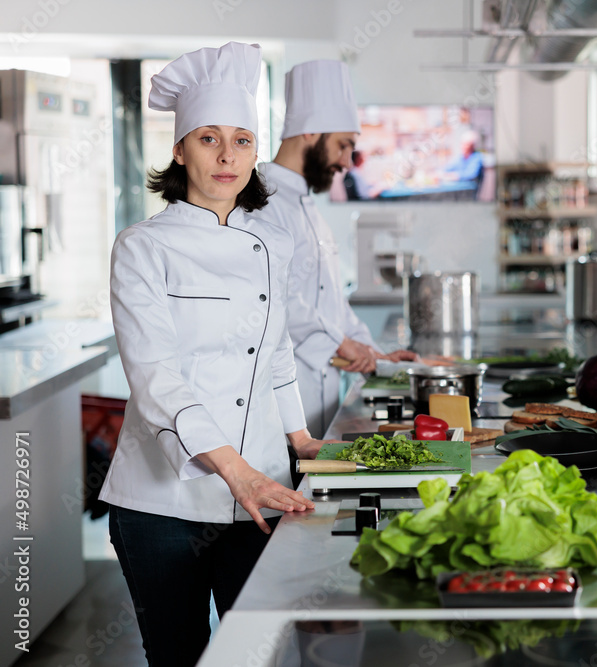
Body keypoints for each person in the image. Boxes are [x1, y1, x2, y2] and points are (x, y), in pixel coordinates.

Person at [99, 42, 329, 666]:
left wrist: (301, 440)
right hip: (161, 504)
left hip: (261, 490)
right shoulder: (142, 247)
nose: (228, 156)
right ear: (179, 149)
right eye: (208, 138)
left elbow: (276, 351)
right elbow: (156, 382)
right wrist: (238, 471)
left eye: (243, 140)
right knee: (179, 658)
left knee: (257, 653)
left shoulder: (271, 242)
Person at [258, 60, 417, 438]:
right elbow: (277, 300)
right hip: (283, 404)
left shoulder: (309, 207)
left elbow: (332, 305)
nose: (347, 162)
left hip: (322, 397)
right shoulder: (262, 202)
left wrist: (374, 353)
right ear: (309, 132)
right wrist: (342, 345)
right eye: (343, 145)